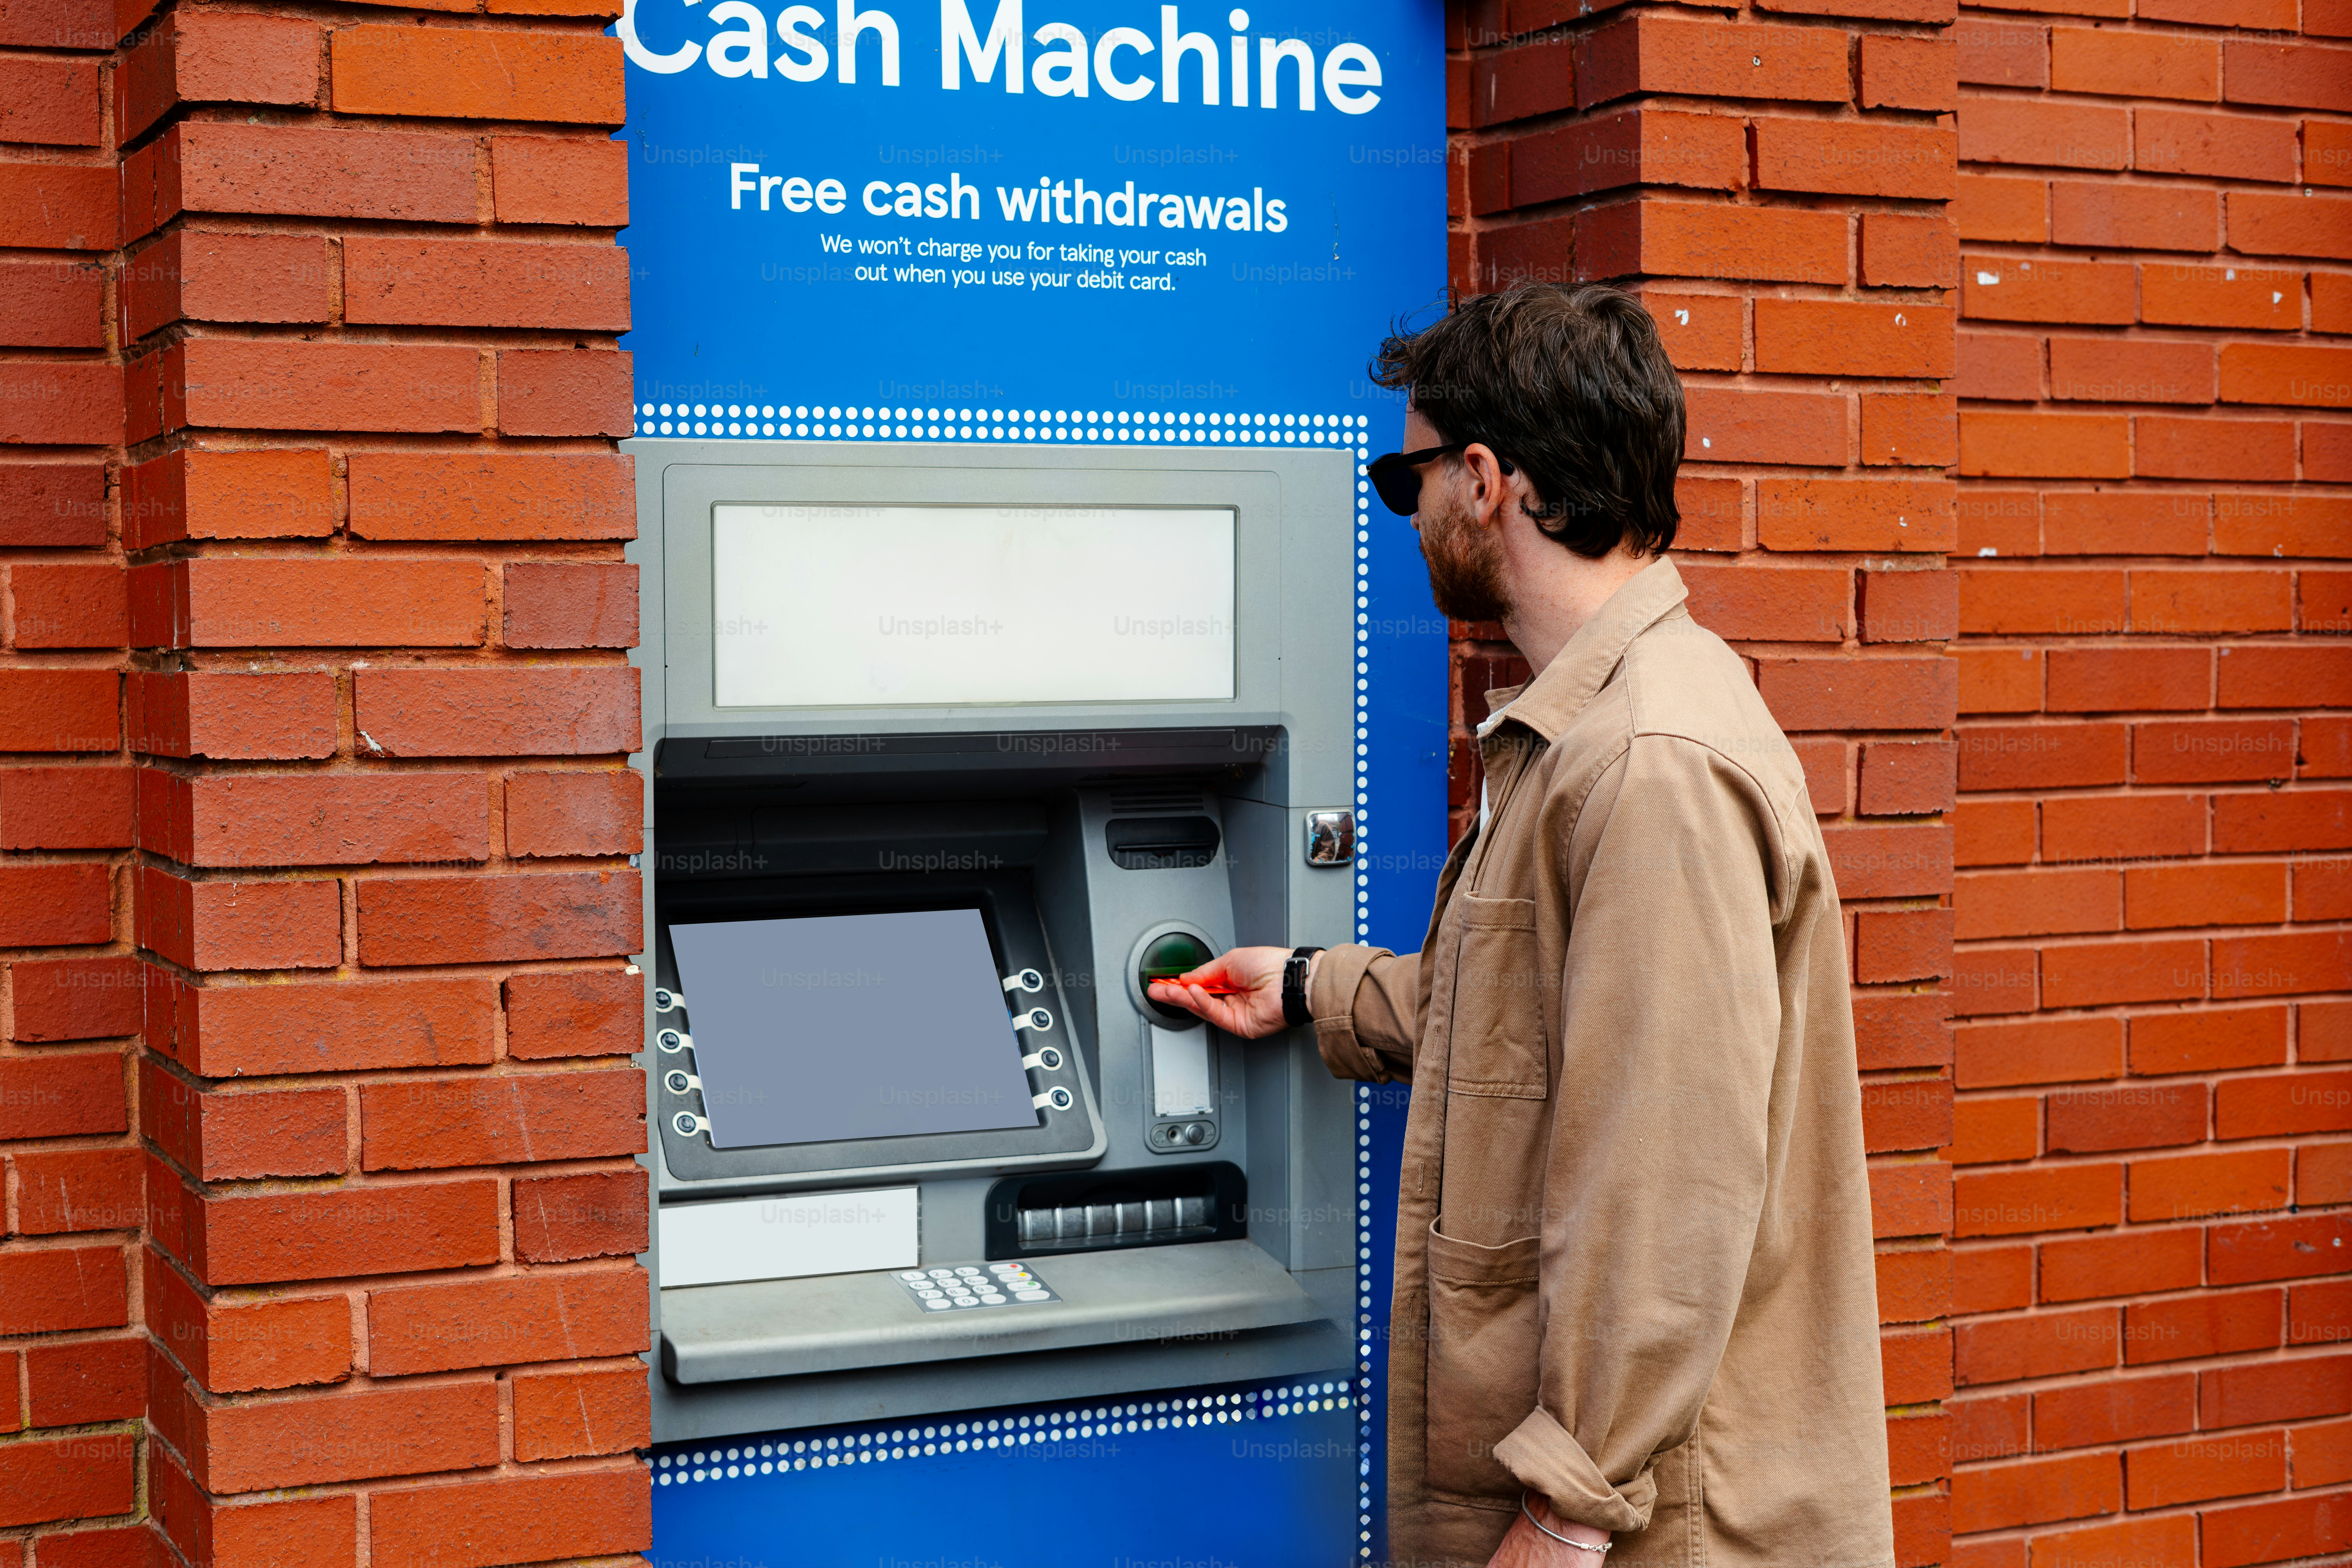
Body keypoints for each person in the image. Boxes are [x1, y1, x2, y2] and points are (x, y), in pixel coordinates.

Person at [1148, 282, 1896, 1568]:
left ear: (1485, 480)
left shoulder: (1647, 762)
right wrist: (1313, 985)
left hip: (1663, 1526)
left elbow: (1666, 1177)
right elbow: (1520, 1021)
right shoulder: (1595, 732)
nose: (1412, 512)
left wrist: (1565, 1504)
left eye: (1409, 476)